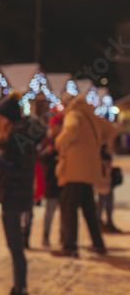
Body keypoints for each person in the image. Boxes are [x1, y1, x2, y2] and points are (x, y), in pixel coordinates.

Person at [0, 91, 43, 295]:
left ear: (9, 119)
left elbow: (16, 170)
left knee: (16, 247)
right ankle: (18, 286)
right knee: (14, 246)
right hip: (13, 197)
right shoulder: (15, 138)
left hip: (16, 198)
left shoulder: (19, 140)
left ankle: (20, 288)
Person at [51, 93, 118, 257]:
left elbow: (71, 129)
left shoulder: (73, 113)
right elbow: (112, 130)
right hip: (89, 169)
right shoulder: (90, 115)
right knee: (89, 209)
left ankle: (69, 246)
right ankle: (98, 244)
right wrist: (94, 143)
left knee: (69, 208)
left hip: (74, 169)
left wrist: (59, 142)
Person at [38, 113, 64, 247]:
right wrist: (47, 152)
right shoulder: (46, 140)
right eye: (54, 126)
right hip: (50, 181)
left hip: (63, 182)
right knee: (49, 212)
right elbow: (40, 156)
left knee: (64, 214)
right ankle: (45, 236)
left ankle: (63, 237)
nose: (55, 129)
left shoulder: (64, 140)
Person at [94, 142, 122, 233]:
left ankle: (109, 222)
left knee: (109, 202)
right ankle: (98, 223)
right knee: (101, 203)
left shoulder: (107, 157)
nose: (112, 149)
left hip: (108, 184)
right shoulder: (100, 158)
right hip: (102, 185)